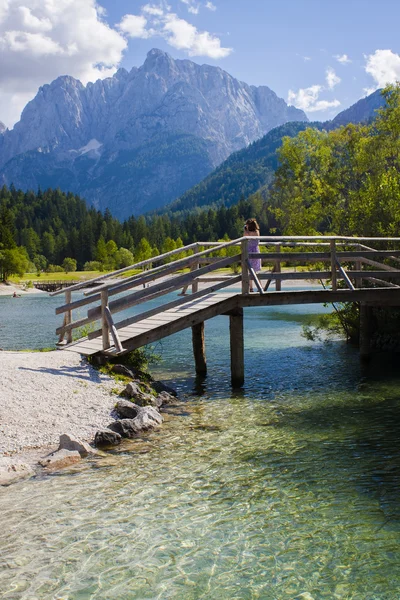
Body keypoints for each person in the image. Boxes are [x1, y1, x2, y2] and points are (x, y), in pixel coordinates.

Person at [244, 218, 261, 292]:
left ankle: (251, 288)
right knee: (256, 270)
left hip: (249, 251)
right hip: (256, 251)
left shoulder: (248, 233)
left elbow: (244, 236)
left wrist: (245, 229)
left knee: (249, 270)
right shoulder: (257, 232)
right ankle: (260, 287)